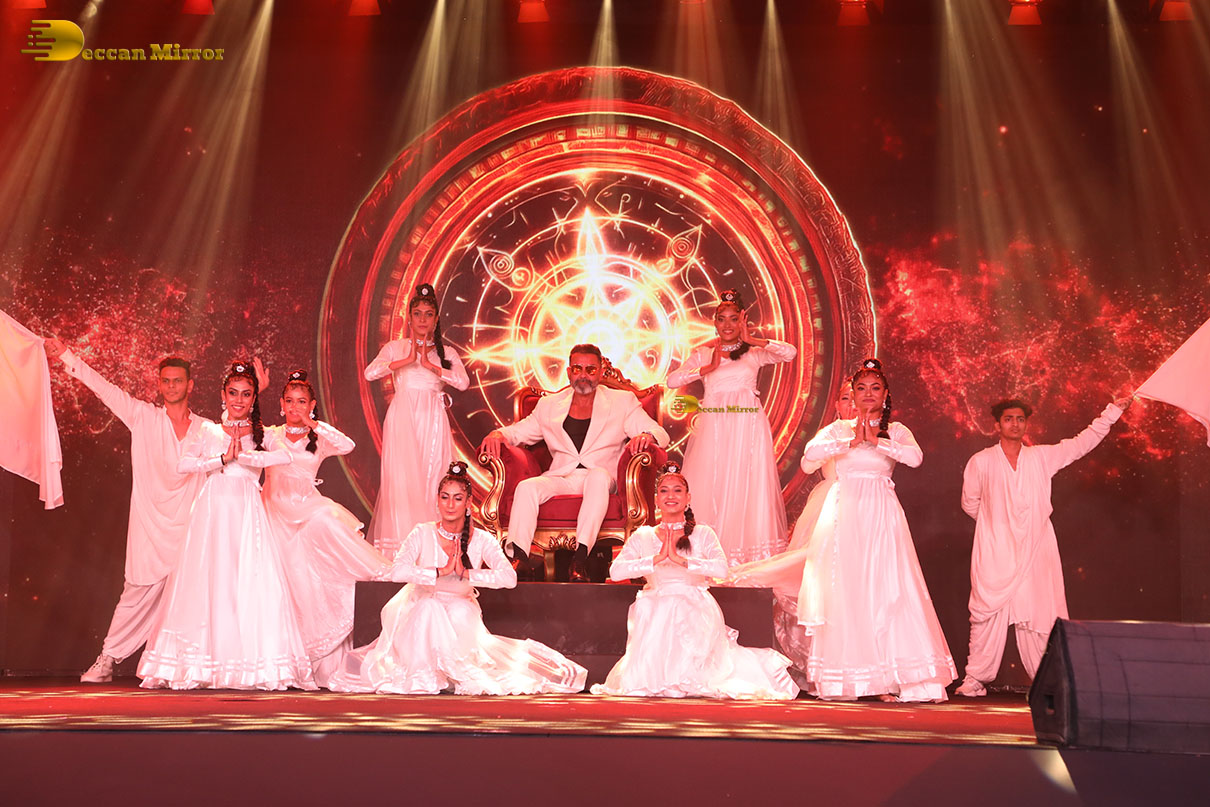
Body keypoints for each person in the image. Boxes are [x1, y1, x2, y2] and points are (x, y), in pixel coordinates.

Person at [328, 462, 587, 695]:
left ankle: (451, 673)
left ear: (468, 503)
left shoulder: (482, 539)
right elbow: (397, 571)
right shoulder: (422, 533)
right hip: (421, 610)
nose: (450, 505)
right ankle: (421, 675)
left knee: (461, 613)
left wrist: (468, 574)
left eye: (457, 498)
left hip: (461, 612)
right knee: (429, 607)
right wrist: (437, 572)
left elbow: (509, 578)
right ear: (437, 501)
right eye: (445, 497)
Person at [137, 360, 315, 690]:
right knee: (209, 580)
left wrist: (246, 458)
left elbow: (286, 456)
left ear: (253, 398)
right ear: (223, 395)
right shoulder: (209, 430)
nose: (238, 400)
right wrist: (221, 459)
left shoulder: (263, 433)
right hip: (212, 510)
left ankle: (247, 665)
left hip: (246, 511)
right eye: (233, 393)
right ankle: (201, 664)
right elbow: (183, 464)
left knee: (246, 580)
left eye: (246, 394)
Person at [44, 337, 210, 683]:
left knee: (191, 600)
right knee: (134, 596)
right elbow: (105, 390)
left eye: (178, 381)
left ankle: (180, 667)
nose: (171, 386)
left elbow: (242, 435)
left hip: (190, 529)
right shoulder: (143, 416)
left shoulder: (206, 429)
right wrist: (67, 355)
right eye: (165, 381)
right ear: (159, 384)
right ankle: (107, 660)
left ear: (190, 385)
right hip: (150, 528)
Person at [796, 359, 955, 702]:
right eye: (861, 388)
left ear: (885, 394)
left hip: (881, 512)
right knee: (847, 590)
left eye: (875, 388)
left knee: (888, 588)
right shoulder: (839, 429)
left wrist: (877, 441)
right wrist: (849, 443)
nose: (868, 394)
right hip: (845, 512)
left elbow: (915, 458)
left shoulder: (895, 430)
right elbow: (808, 459)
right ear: (852, 395)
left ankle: (890, 678)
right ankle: (854, 680)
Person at [955, 394, 1132, 697]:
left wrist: (1112, 411)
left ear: (1026, 424)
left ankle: (1046, 679)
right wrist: (998, 525)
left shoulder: (1041, 457)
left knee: (1038, 612)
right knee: (986, 613)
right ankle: (975, 678)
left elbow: (1081, 443)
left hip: (1036, 547)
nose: (1015, 424)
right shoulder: (981, 461)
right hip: (995, 548)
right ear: (997, 425)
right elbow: (970, 502)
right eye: (1008, 419)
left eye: (1020, 419)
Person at [591, 461, 799, 699]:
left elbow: (721, 569)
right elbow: (616, 572)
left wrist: (683, 562)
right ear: (656, 499)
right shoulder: (644, 535)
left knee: (681, 609)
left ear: (688, 498)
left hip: (694, 607)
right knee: (656, 609)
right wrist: (655, 560)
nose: (671, 496)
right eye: (664, 491)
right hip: (654, 608)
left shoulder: (702, 533)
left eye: (677, 490)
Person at [480, 343, 670, 582]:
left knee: (597, 478)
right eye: (578, 369)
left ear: (600, 372)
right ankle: (519, 559)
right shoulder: (549, 405)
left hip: (602, 477)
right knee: (527, 487)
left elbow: (660, 433)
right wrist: (497, 434)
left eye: (591, 370)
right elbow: (518, 432)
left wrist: (646, 436)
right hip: (563, 476)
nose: (583, 375)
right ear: (569, 372)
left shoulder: (622, 401)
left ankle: (579, 559)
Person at [262, 370, 391, 688]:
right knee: (284, 582)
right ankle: (284, 662)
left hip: (306, 509)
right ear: (281, 404)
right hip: (274, 514)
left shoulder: (317, 440)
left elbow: (347, 445)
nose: (295, 407)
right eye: (289, 401)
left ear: (311, 404)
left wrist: (314, 423)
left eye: (301, 402)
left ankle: (381, 579)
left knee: (326, 524)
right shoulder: (270, 435)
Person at [726, 386, 858, 675]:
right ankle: (823, 659)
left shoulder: (879, 433)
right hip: (830, 507)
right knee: (817, 571)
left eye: (856, 397)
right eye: (846, 398)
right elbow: (808, 464)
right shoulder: (831, 433)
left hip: (866, 509)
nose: (852, 404)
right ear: (837, 404)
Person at [666, 289, 796, 566]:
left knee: (746, 482)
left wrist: (753, 339)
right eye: (722, 318)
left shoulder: (755, 353)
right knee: (714, 481)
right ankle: (710, 552)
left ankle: (745, 554)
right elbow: (672, 381)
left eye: (733, 319)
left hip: (747, 427)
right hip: (715, 426)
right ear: (714, 322)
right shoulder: (704, 354)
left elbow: (789, 353)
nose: (727, 324)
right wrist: (707, 368)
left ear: (742, 321)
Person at [364, 283, 470, 560]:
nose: (423, 320)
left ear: (436, 319)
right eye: (417, 314)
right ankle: (401, 550)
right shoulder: (395, 348)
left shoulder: (446, 353)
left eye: (428, 314)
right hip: (403, 417)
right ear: (409, 318)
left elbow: (462, 382)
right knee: (402, 480)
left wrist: (431, 366)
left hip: (433, 417)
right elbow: (370, 373)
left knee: (433, 476)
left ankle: (433, 550)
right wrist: (407, 360)